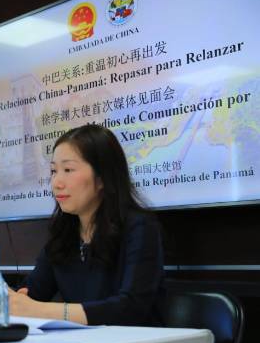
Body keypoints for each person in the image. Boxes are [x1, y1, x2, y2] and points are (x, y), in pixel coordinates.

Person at [9, 124, 164, 326]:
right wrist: (11, 299)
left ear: (102, 178)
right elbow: (32, 293)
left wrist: (41, 310)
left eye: (68, 169)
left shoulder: (139, 227)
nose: (56, 182)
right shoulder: (63, 233)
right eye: (54, 171)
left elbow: (130, 309)